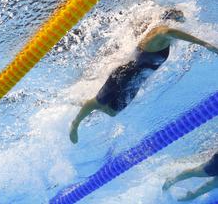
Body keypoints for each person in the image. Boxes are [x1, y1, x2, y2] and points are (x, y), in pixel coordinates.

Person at [69, 9, 218, 143]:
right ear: (172, 21)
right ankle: (76, 123)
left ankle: (85, 103)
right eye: (181, 20)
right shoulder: (161, 33)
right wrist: (205, 44)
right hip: (123, 76)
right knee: (98, 103)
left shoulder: (164, 37)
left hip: (136, 82)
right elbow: (168, 32)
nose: (184, 24)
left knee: (113, 112)